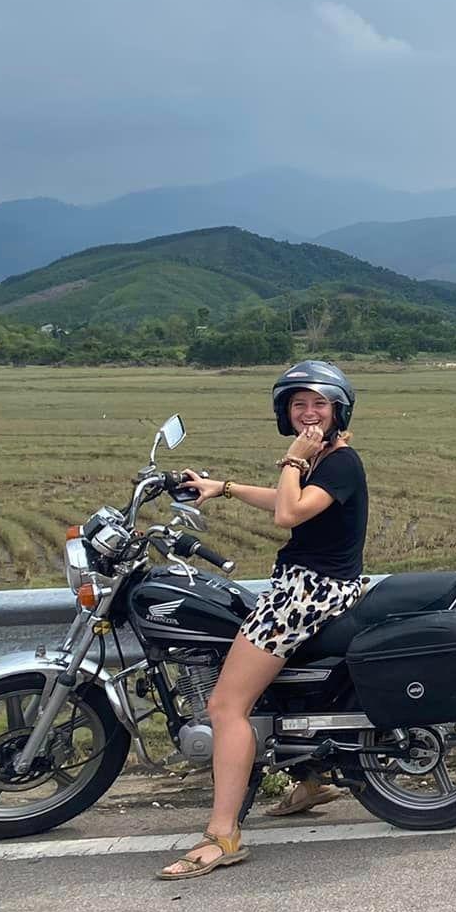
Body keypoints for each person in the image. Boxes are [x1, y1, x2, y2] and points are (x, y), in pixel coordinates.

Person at [157, 361, 370, 876]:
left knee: (226, 705)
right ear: (284, 411)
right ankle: (313, 777)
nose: (309, 413)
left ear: (339, 411)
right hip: (312, 587)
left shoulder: (338, 462)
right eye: (299, 405)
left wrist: (294, 457)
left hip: (309, 593)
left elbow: (287, 514)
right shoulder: (327, 462)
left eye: (319, 404)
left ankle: (223, 835)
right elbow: (288, 500)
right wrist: (220, 487)